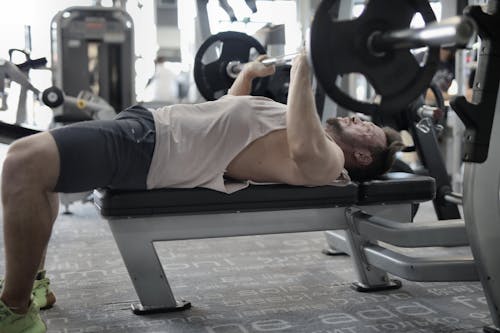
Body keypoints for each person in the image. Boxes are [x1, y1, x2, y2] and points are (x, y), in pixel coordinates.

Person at [0, 53, 403, 332]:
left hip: (151, 149)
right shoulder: (303, 125)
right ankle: (32, 283)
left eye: (366, 127)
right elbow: (227, 115)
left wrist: (303, 68)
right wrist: (248, 74)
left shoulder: (329, 159)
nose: (357, 117)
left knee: (22, 163)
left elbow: (302, 146)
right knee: (40, 172)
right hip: (149, 132)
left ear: (364, 157)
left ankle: (16, 308)